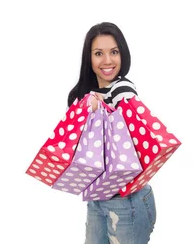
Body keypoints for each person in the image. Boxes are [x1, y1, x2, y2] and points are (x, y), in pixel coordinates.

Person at [67, 22, 156, 244]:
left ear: (122, 54)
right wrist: (85, 108)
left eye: (114, 52)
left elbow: (130, 138)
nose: (107, 61)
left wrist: (101, 112)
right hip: (96, 198)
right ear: (89, 58)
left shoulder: (122, 89)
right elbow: (76, 147)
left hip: (127, 201)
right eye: (99, 53)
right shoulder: (80, 95)